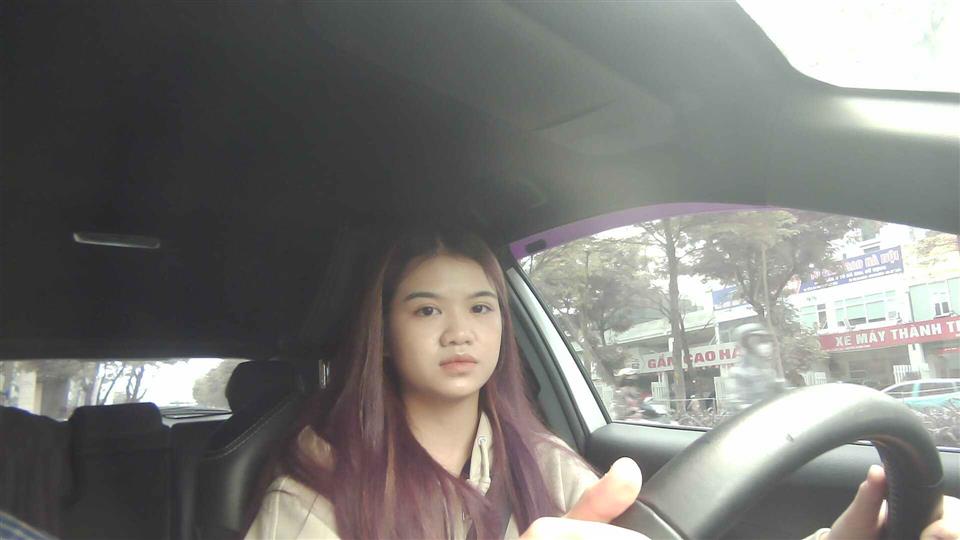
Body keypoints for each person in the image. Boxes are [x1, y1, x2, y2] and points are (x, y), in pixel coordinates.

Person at [245, 230, 959, 540]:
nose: (460, 332)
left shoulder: (539, 457)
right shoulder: (320, 486)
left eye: (481, 308)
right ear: (384, 335)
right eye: (427, 310)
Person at [726, 323, 785, 412]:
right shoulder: (737, 373)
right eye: (757, 341)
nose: (766, 345)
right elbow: (738, 405)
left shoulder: (769, 372)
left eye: (765, 340)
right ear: (746, 345)